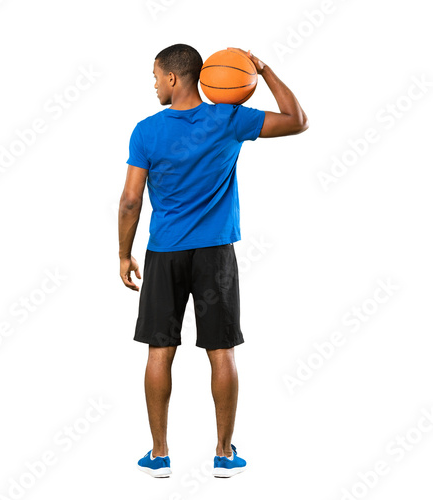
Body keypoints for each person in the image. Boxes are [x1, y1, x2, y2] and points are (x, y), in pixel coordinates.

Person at [118, 43, 308, 478]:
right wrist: (265, 71)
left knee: (159, 351)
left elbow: (131, 201)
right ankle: (224, 455)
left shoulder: (146, 131)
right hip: (215, 253)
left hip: (164, 252)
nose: (153, 84)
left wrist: (123, 253)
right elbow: (298, 120)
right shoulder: (228, 119)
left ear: (172, 78)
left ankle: (160, 454)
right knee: (221, 351)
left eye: (155, 76)